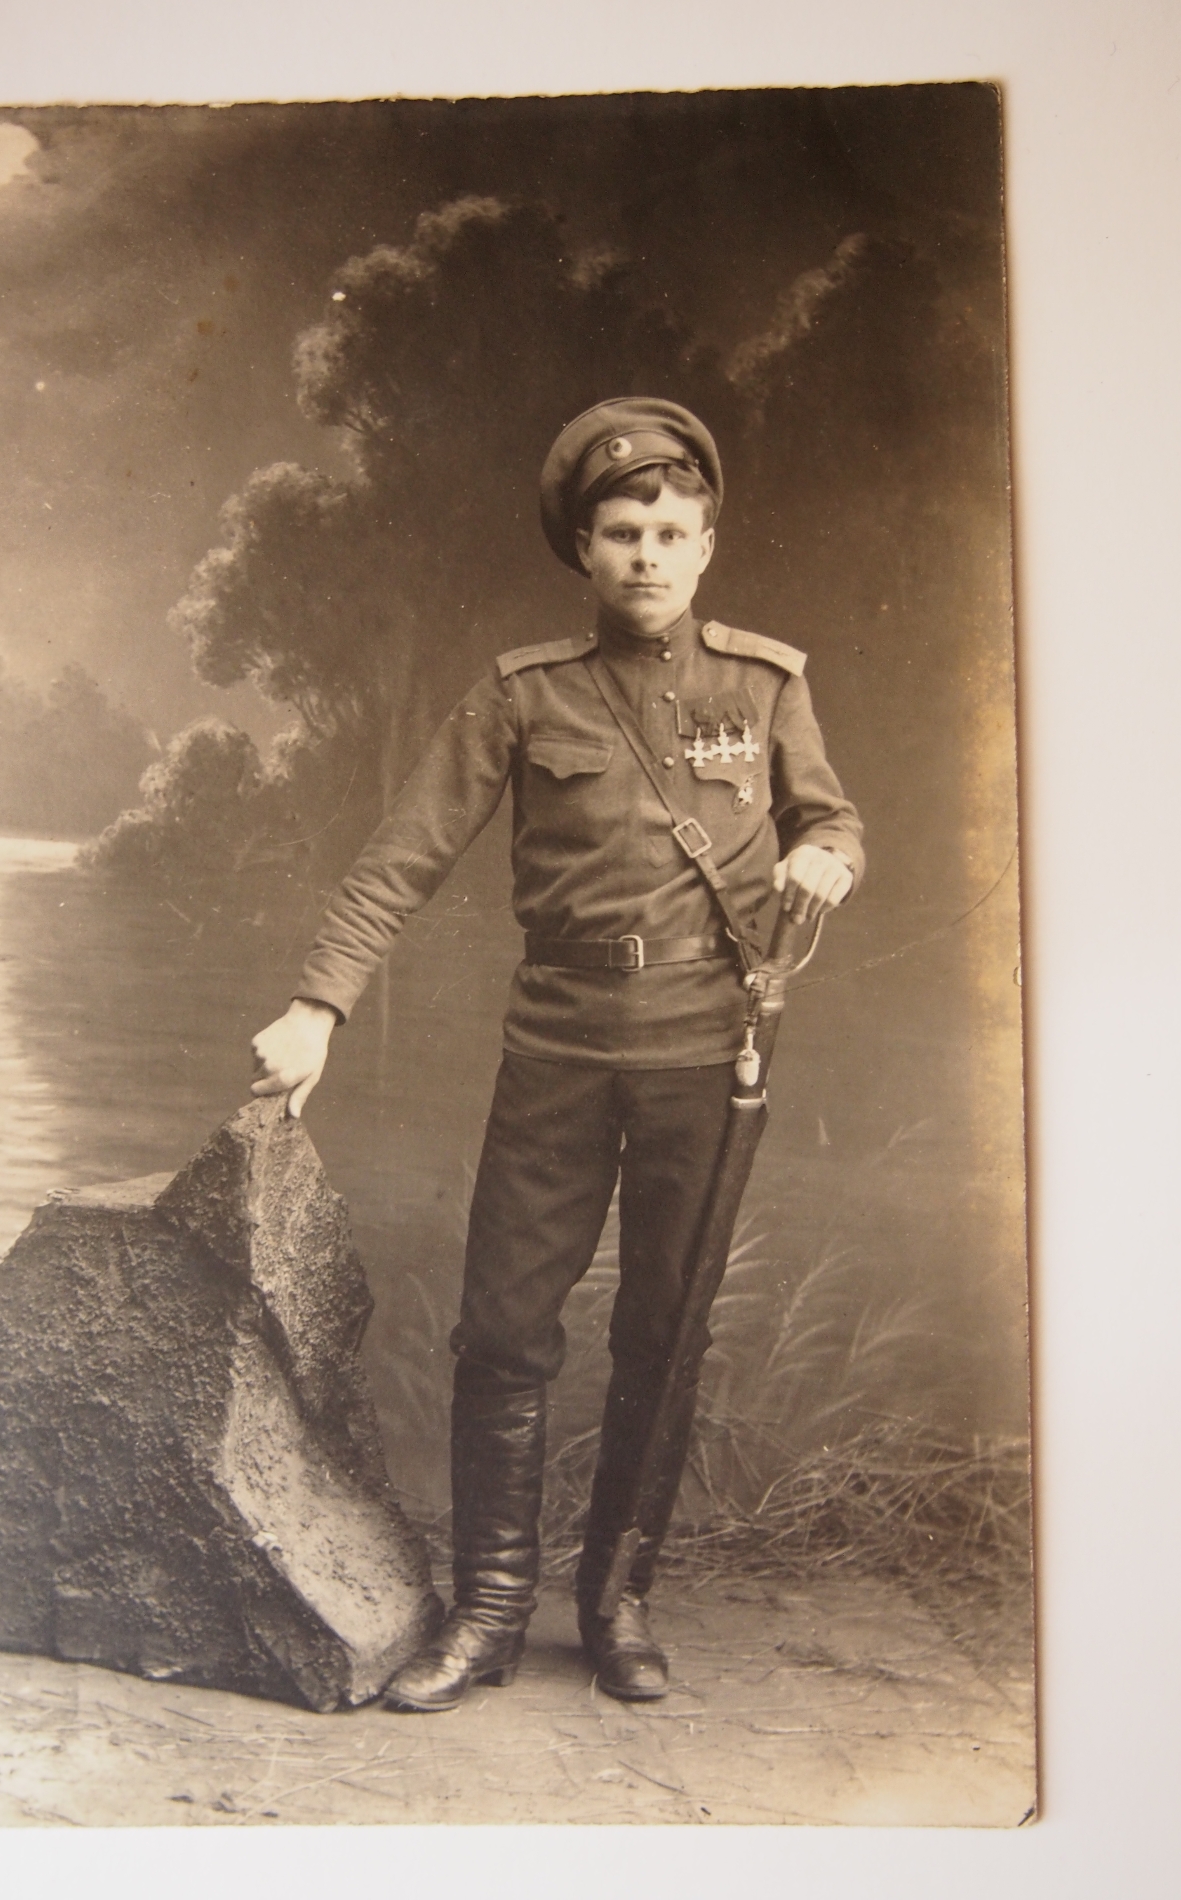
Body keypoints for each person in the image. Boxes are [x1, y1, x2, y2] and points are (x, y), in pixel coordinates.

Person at [250, 398, 864, 1710]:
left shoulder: (766, 685)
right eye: (622, 533)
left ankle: (617, 1602)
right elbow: (399, 862)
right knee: (503, 1330)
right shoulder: (523, 695)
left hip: (705, 1056)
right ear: (583, 549)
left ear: (705, 547)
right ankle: (486, 1613)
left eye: (670, 533)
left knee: (665, 1329)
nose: (647, 555)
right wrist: (318, 1007)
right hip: (558, 1052)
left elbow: (833, 819)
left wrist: (826, 855)